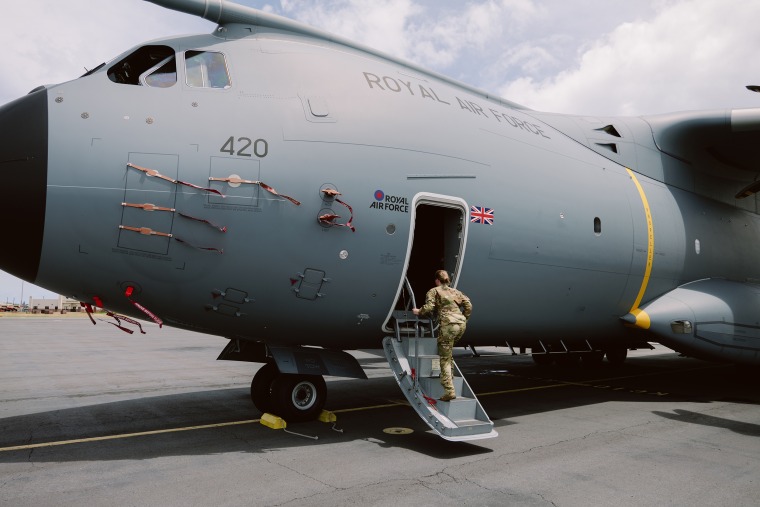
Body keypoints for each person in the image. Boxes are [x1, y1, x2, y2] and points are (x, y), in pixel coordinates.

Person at [413, 270, 472, 401]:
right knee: (448, 352)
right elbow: (469, 305)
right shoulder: (456, 292)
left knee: (444, 357)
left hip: (448, 325)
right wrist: (464, 319)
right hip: (460, 325)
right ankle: (449, 377)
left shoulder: (434, 291)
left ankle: (449, 390)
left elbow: (429, 307)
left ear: (437, 280)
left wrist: (419, 311)